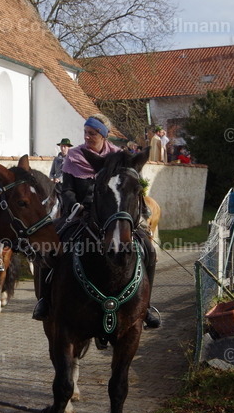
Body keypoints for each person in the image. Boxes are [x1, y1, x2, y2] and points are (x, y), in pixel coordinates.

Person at [34, 113, 161, 329]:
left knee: (149, 249)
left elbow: (128, 186)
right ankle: (45, 300)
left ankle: (146, 306)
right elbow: (66, 189)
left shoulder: (118, 156)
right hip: (79, 213)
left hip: (112, 216)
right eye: (85, 132)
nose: (87, 137)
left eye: (92, 133)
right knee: (49, 248)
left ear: (103, 135)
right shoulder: (74, 155)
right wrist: (76, 205)